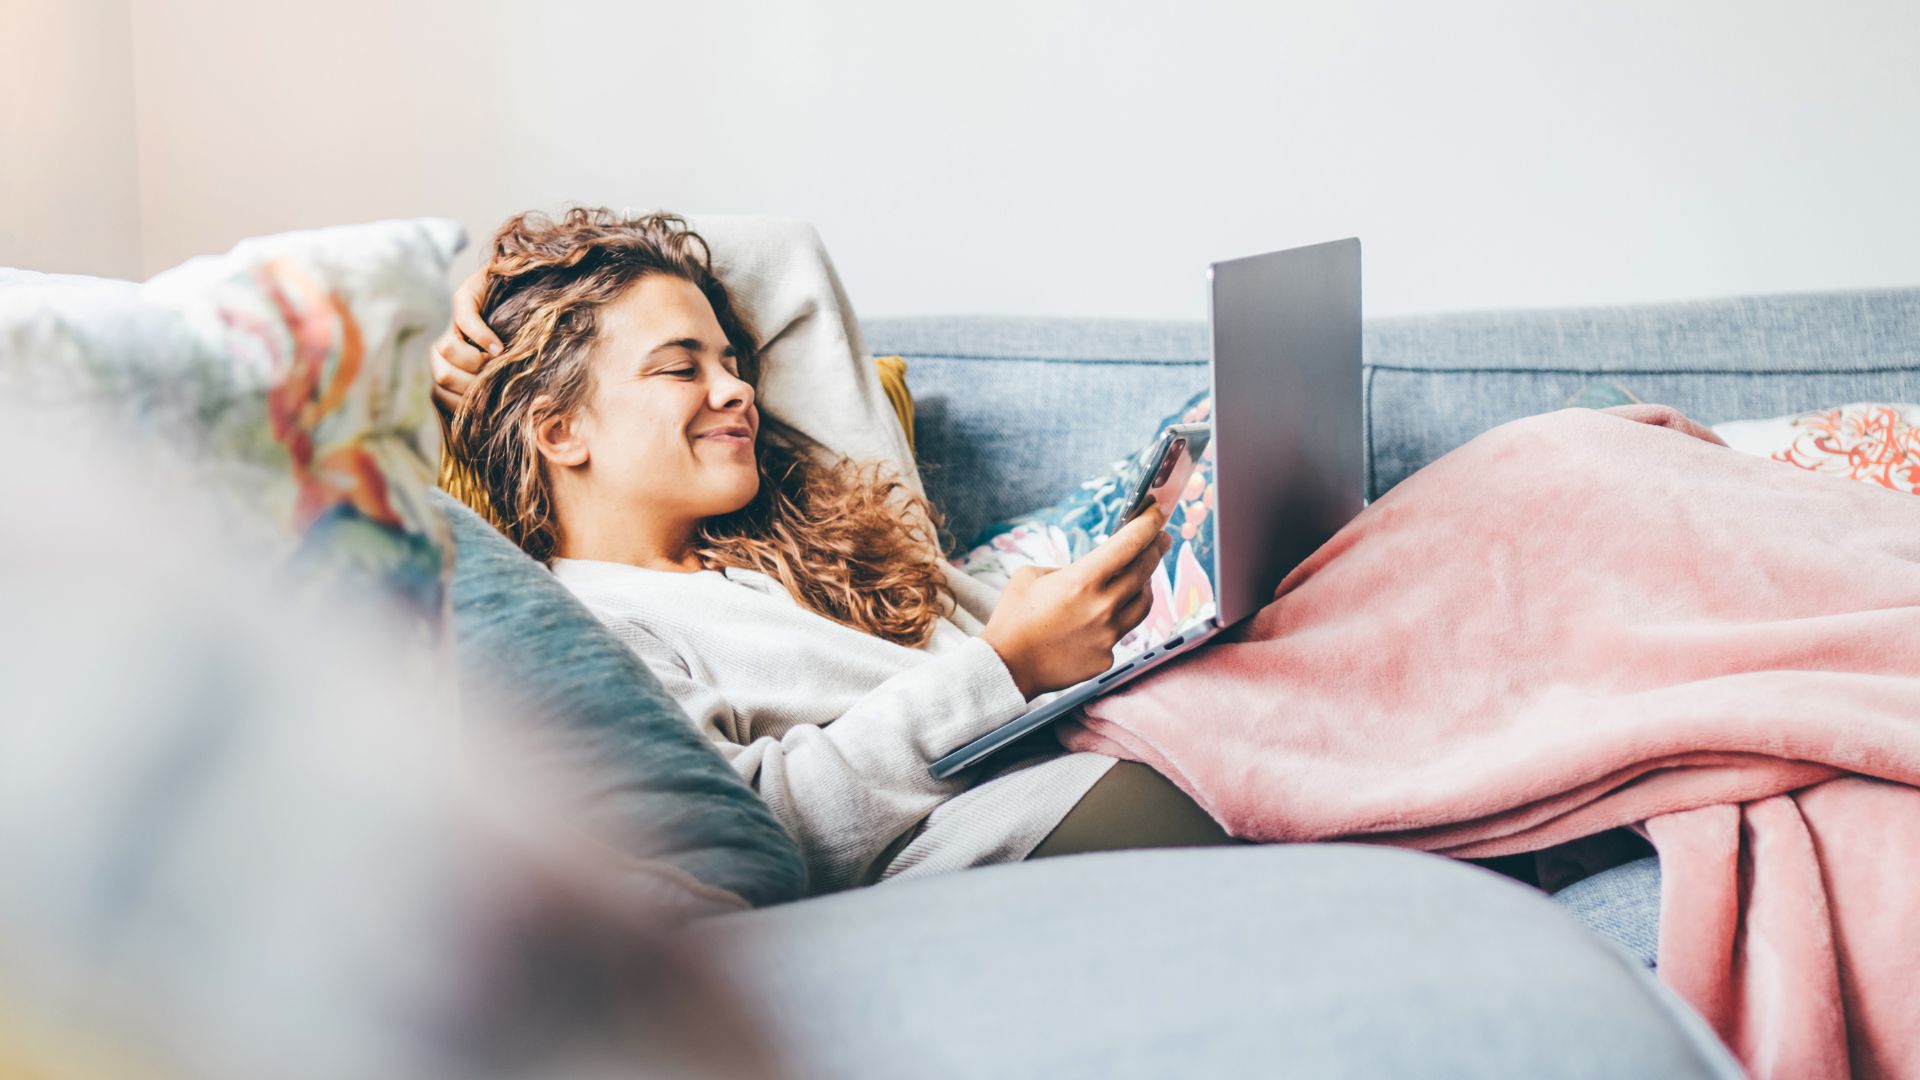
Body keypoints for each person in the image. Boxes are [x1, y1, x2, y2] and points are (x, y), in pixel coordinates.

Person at [431, 208, 1237, 895]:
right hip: (1033, 813)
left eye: (733, 362)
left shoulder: (814, 526)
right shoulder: (593, 628)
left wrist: (515, 278)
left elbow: (785, 254)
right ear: (559, 429)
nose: (738, 389)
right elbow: (750, 821)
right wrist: (1005, 664)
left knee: (1355, 563)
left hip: (1133, 719)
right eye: (682, 367)